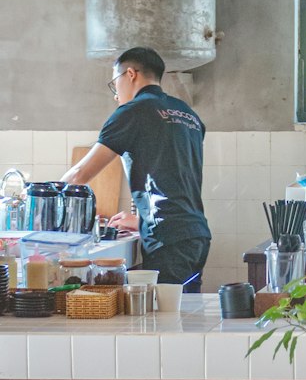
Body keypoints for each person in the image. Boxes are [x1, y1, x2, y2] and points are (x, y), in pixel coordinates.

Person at [61, 47, 212, 290]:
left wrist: (46, 197)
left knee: (165, 320)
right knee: (185, 314)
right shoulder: (188, 114)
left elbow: (80, 175)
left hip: (167, 238)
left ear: (130, 74)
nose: (115, 95)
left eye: (114, 83)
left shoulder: (133, 112)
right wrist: (142, 220)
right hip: (196, 233)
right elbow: (174, 173)